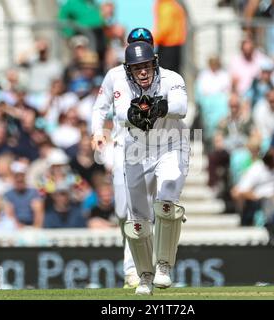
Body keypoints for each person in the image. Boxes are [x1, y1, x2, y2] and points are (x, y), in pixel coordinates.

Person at [117, 41, 189, 295]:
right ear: (129, 70)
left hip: (171, 146)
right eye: (138, 68)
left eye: (147, 66)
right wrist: (133, 114)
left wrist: (163, 106)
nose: (143, 72)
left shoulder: (172, 79)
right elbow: (120, 113)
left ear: (154, 63)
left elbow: (181, 108)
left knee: (167, 201)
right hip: (137, 151)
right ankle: (144, 276)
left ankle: (164, 266)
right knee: (137, 220)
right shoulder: (122, 84)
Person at [91, 27, 155, 290]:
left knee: (136, 212)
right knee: (121, 211)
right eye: (135, 44)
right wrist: (97, 131)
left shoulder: (161, 77)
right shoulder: (114, 75)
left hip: (150, 150)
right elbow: (100, 106)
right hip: (121, 147)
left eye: (144, 44)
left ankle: (134, 270)